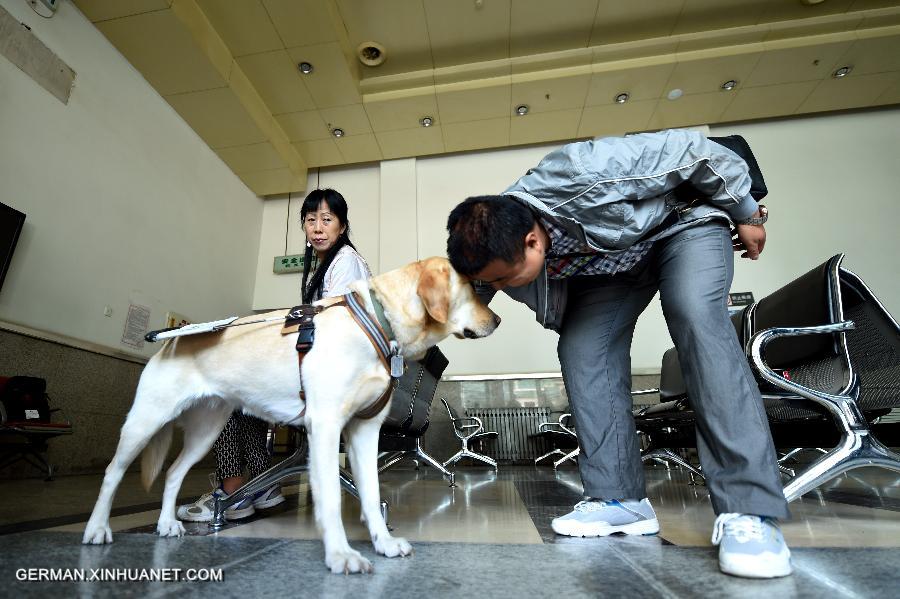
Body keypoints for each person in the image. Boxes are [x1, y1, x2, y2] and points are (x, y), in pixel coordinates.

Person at [445, 129, 792, 579]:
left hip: (680, 227)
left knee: (694, 316)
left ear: (532, 241)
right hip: (613, 266)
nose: (503, 287)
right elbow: (466, 293)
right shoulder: (490, 241)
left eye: (507, 278)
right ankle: (620, 501)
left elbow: (701, 153)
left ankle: (750, 510)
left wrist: (746, 212)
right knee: (582, 348)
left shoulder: (583, 171)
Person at [177, 188, 371, 523]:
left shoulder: (346, 263)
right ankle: (262, 485)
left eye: (327, 220)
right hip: (326, 375)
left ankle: (233, 489)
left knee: (221, 393)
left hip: (333, 380)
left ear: (342, 226)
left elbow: (335, 326)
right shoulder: (329, 266)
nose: (318, 228)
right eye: (311, 221)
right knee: (247, 400)